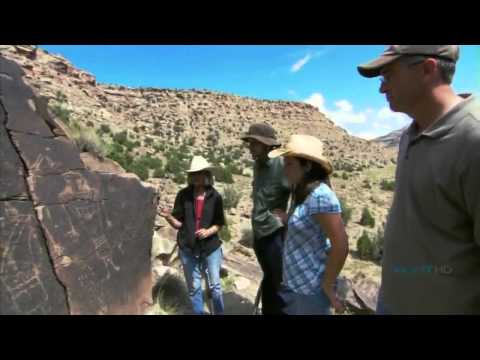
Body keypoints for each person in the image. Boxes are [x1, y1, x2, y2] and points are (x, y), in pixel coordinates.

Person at [358, 45, 480, 314]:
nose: (382, 89)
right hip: (392, 301)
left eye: (388, 76)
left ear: (427, 69)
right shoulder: (409, 136)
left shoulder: (473, 139)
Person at [269, 134, 349, 315]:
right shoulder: (300, 189)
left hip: (311, 288)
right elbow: (307, 224)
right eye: (284, 163)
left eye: (289, 164)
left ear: (307, 166)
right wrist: (286, 219)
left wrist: (328, 285)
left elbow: (340, 245)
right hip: (295, 282)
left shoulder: (320, 196)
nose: (284, 169)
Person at [160, 156, 226, 315]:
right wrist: (168, 217)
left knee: (215, 288)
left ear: (206, 175)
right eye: (193, 174)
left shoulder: (215, 196)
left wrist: (208, 231)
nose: (196, 177)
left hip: (210, 248)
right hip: (188, 249)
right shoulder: (183, 195)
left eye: (199, 173)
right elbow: (179, 224)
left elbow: (219, 223)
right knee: (194, 288)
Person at [241, 123, 291, 314]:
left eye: (254, 143)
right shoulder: (258, 164)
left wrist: (289, 217)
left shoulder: (281, 163)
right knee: (270, 278)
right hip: (260, 232)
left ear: (266, 144)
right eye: (249, 143)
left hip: (274, 233)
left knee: (279, 284)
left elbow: (299, 189)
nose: (250, 147)